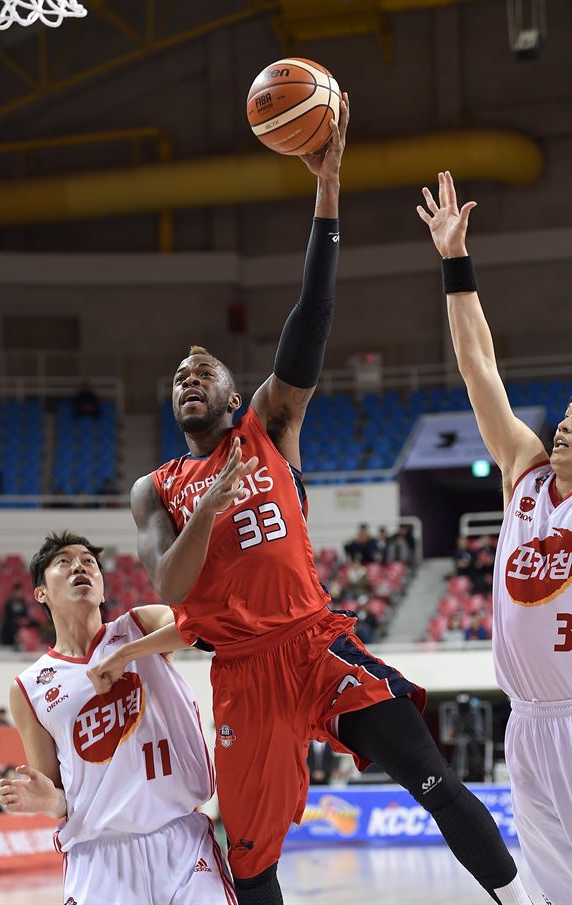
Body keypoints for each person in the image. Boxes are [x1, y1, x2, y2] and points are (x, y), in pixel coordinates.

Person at [91, 99, 532, 905]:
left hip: (313, 641)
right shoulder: (153, 487)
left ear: (234, 396)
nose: (189, 380)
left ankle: (522, 899)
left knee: (428, 774)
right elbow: (170, 588)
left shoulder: (270, 426)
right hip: (241, 674)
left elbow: (313, 318)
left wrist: (327, 196)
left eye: (205, 374)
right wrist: (210, 505)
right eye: (178, 379)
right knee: (251, 858)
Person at [418, 169, 572, 905]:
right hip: (528, 726)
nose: (568, 420)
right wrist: (456, 261)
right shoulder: (525, 472)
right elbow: (479, 367)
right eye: (569, 410)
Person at [0, 531, 234, 905]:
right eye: (64, 562)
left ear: (103, 590)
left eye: (89, 562)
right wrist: (44, 802)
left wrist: (125, 655)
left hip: (182, 841)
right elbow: (62, 798)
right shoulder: (28, 688)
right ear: (41, 593)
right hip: (100, 858)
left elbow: (204, 626)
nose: (80, 566)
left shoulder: (139, 626)